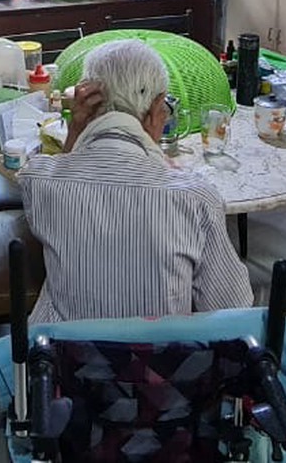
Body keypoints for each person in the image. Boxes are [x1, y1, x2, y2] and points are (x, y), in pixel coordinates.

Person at [19, 39, 253, 324]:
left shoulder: (40, 179)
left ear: (87, 105)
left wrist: (76, 129)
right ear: (157, 109)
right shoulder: (194, 197)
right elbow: (231, 307)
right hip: (160, 363)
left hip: (66, 361)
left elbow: (65, 169)